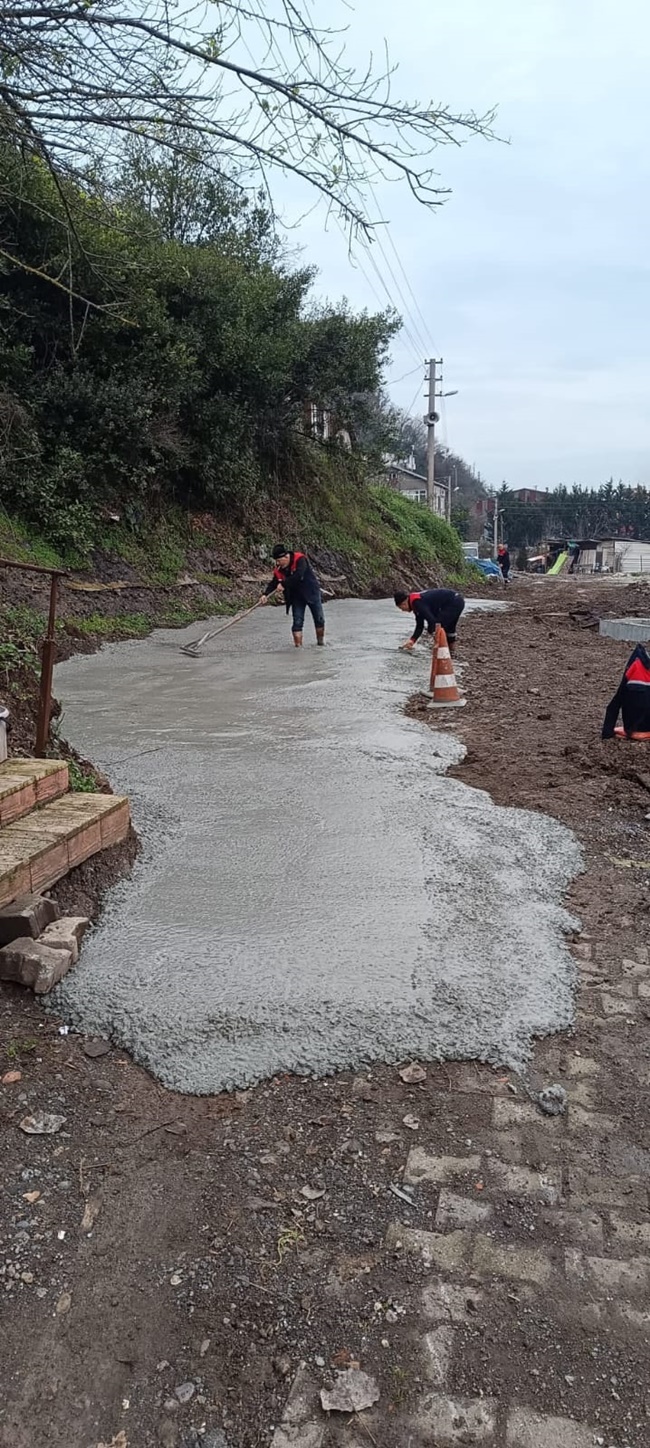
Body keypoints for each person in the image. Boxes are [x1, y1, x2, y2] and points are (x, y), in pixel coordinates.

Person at [259, 544, 325, 648]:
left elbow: (298, 575)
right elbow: (274, 582)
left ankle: (320, 643)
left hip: (311, 591)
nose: (277, 563)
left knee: (319, 619)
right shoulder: (279, 569)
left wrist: (284, 584)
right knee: (297, 623)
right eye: (276, 561)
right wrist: (265, 594)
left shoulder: (300, 559)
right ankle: (298, 649)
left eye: (279, 560)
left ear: (286, 557)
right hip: (296, 596)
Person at [394, 587, 465, 656]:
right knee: (450, 628)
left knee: (438, 626)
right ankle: (451, 653)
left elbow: (432, 621)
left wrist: (432, 632)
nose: (402, 610)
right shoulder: (415, 603)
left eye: (401, 607)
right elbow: (420, 625)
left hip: (453, 602)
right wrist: (412, 640)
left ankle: (441, 653)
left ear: (404, 602)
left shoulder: (417, 603)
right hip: (457, 600)